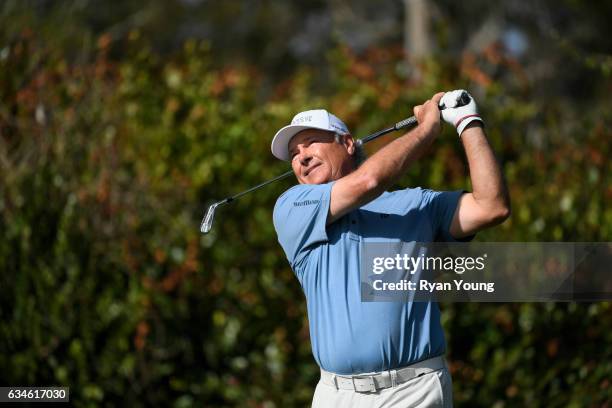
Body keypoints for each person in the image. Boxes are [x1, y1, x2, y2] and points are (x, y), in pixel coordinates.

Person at [270, 90, 510, 407]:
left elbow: (491, 206)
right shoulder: (292, 207)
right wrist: (426, 130)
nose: (301, 156)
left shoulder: (415, 204)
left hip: (414, 390)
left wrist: (468, 122)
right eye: (293, 153)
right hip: (336, 394)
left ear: (347, 143)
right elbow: (368, 181)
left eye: (312, 141)